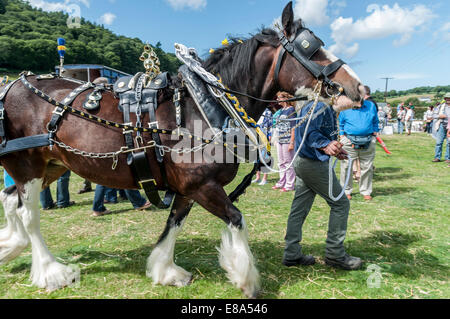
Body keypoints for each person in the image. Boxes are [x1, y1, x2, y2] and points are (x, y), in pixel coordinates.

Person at [282, 100, 362, 270]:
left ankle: (291, 253)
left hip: (306, 161)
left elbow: (312, 133)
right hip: (311, 164)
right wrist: (325, 145)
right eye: (354, 98)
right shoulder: (319, 106)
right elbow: (309, 132)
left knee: (299, 208)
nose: (356, 103)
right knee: (340, 204)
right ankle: (335, 254)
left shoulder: (323, 106)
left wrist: (333, 149)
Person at [339, 86, 379, 201]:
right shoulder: (345, 107)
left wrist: (375, 133)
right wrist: (342, 136)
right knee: (346, 166)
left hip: (368, 140)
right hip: (348, 140)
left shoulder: (370, 105)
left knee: (367, 167)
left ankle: (366, 191)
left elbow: (375, 120)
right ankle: (346, 190)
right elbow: (340, 122)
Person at [272, 92, 296, 192]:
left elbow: (293, 128)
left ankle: (290, 184)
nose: (277, 100)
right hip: (280, 140)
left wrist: (291, 142)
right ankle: (282, 182)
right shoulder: (281, 111)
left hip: (287, 140)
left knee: (288, 163)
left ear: (285, 99)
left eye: (279, 98)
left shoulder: (291, 111)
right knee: (281, 162)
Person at [252, 108, 273, 186]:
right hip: (256, 136)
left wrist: (270, 136)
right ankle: (258, 177)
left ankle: (265, 178)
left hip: (264, 137)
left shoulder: (268, 112)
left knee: (265, 158)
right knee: (256, 158)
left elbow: (271, 125)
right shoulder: (256, 110)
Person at [432, 93, 450, 163]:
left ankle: (448, 158)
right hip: (441, 125)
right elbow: (434, 115)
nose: (448, 99)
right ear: (445, 99)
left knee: (449, 143)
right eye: (447, 98)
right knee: (438, 142)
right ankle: (437, 157)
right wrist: (440, 116)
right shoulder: (440, 106)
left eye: (449, 98)